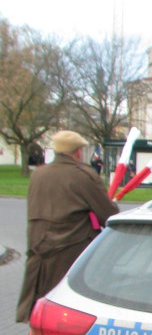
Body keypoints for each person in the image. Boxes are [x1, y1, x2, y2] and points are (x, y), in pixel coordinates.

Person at [16, 130, 119, 322]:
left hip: (39, 250)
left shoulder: (38, 174)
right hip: (71, 250)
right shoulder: (83, 175)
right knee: (68, 310)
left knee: (41, 307)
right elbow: (109, 215)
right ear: (78, 152)